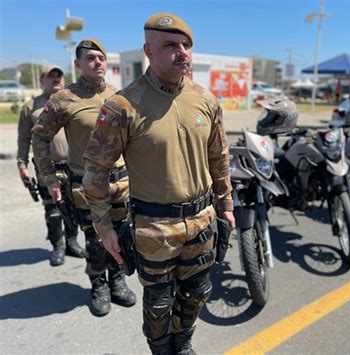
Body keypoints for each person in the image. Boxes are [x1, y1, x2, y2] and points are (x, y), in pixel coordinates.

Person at [82, 13, 235, 354]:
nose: (182, 52)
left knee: (197, 292)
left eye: (186, 45)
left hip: (202, 221)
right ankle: (160, 348)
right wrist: (104, 227)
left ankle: (182, 344)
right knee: (159, 302)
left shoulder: (205, 100)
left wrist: (226, 206)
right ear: (148, 51)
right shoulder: (123, 105)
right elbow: (95, 169)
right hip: (154, 227)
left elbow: (219, 158)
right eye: (170, 45)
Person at [31, 39, 136, 316]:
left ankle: (117, 280)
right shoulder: (64, 98)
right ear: (78, 64)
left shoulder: (119, 95)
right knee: (96, 239)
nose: (97, 62)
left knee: (122, 234)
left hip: (122, 183)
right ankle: (98, 284)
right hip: (87, 184)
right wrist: (50, 178)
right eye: (90, 58)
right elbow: (39, 137)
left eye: (101, 57)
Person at [17, 65, 84, 266]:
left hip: (73, 166)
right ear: (42, 80)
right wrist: (22, 165)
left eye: (59, 75)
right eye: (50, 76)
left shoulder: (73, 102)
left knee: (74, 209)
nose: (56, 79)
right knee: (53, 211)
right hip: (46, 168)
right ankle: (58, 246)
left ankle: (72, 242)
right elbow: (24, 139)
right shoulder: (31, 107)